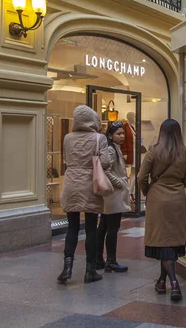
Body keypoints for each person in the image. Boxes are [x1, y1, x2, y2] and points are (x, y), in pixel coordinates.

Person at [138, 119, 186, 301]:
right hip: (177, 198)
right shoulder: (184, 153)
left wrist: (148, 191)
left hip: (157, 199)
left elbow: (141, 177)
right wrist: (176, 185)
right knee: (169, 240)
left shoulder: (154, 151)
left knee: (163, 240)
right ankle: (162, 281)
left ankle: (174, 283)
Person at [57, 105, 112, 284]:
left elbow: (66, 159)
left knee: (72, 227)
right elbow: (105, 162)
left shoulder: (67, 138)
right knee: (90, 228)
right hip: (90, 185)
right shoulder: (99, 138)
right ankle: (90, 270)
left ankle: (67, 268)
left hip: (71, 184)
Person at [96, 122, 131, 273]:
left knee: (104, 227)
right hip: (114, 194)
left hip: (112, 194)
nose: (122, 136)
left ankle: (98, 259)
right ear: (110, 135)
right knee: (112, 228)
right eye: (118, 134)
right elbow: (106, 170)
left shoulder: (115, 148)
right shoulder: (111, 150)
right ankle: (111, 260)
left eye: (123, 133)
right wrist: (119, 184)